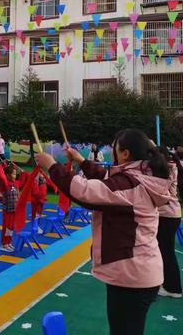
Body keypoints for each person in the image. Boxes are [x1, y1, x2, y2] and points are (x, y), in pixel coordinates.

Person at [35, 128, 172, 335]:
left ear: (125, 154)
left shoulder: (130, 184)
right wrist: (81, 161)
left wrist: (52, 166)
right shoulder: (141, 176)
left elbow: (86, 192)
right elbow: (107, 179)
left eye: (115, 148)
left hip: (132, 276)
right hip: (139, 272)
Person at [156, 147, 182, 298]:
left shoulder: (167, 170)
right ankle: (170, 285)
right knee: (166, 251)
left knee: (166, 252)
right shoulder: (171, 167)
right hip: (171, 215)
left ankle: (172, 288)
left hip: (167, 216)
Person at [0, 165, 21, 253]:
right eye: (13, 174)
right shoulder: (6, 184)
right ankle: (3, 244)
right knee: (7, 227)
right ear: (8, 175)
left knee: (11, 227)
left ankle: (8, 242)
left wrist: (20, 170)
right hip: (7, 210)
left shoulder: (16, 183)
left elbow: (24, 179)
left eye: (15, 174)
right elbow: (2, 176)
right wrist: (0, 166)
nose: (15, 176)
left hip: (14, 210)